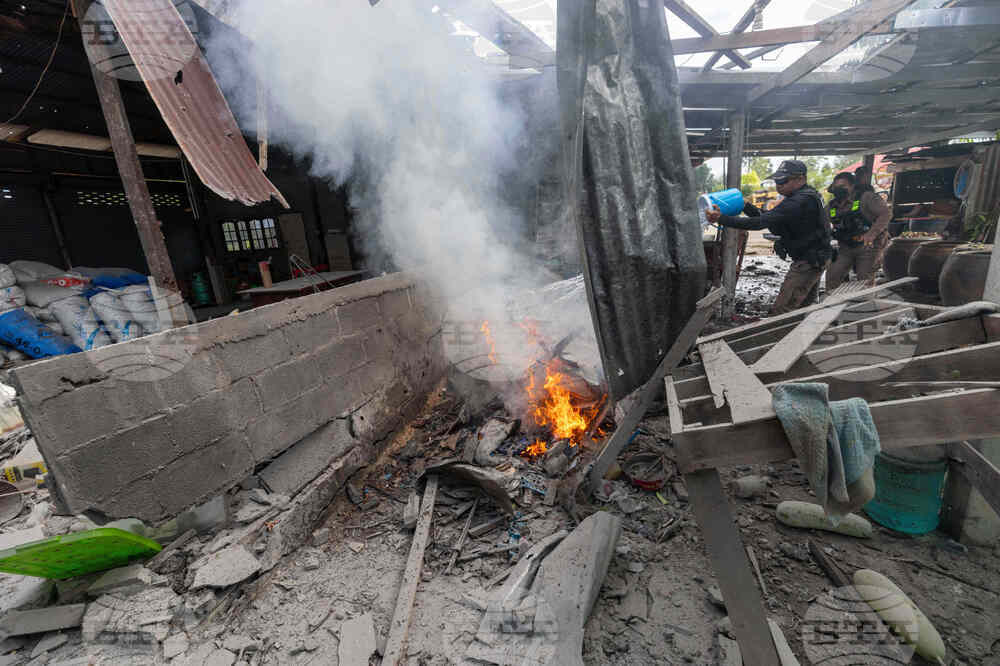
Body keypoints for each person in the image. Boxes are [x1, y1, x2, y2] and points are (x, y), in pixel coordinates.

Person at [705, 160, 831, 314]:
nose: (779, 185)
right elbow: (770, 218)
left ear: (800, 179)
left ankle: (778, 336)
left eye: (783, 181)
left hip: (809, 261)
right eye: (777, 181)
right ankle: (800, 333)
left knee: (782, 310)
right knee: (802, 307)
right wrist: (746, 205)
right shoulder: (801, 197)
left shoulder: (800, 200)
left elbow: (759, 223)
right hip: (813, 258)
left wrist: (721, 218)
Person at [825, 171, 891, 290]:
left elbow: (886, 214)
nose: (839, 190)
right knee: (833, 275)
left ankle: (866, 305)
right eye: (836, 188)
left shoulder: (866, 197)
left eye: (843, 187)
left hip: (869, 245)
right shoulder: (832, 206)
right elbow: (822, 222)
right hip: (845, 247)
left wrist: (871, 234)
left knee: (864, 279)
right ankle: (833, 304)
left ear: (852, 186)